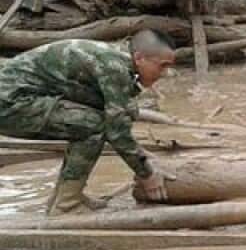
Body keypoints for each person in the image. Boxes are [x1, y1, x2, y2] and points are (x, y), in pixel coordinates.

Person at [0, 32, 175, 214]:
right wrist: (147, 174)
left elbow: (118, 114)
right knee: (93, 127)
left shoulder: (117, 58)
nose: (165, 74)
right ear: (139, 58)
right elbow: (116, 131)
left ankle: (65, 196)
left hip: (18, 98)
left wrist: (142, 156)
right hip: (9, 104)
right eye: (162, 66)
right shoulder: (115, 67)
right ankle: (67, 204)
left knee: (92, 121)